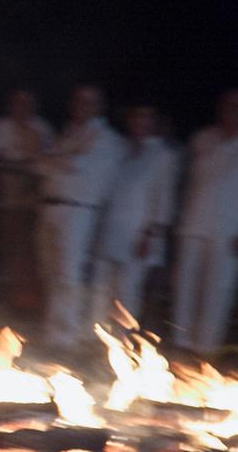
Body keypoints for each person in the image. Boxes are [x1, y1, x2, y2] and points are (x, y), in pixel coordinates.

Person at [171, 89, 238, 355]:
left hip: (230, 232)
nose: (235, 111)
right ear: (221, 108)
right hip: (194, 223)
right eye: (231, 105)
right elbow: (185, 182)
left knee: (218, 293)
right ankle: (181, 346)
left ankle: (204, 350)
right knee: (185, 288)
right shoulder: (202, 139)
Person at [34, 84, 124, 349]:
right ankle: (53, 333)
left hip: (78, 209)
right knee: (51, 273)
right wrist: (61, 158)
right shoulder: (69, 133)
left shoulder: (106, 137)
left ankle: (66, 338)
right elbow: (40, 165)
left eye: (89, 101)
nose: (82, 106)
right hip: (51, 206)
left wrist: (57, 159)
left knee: (68, 275)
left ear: (99, 106)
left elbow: (77, 166)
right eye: (79, 100)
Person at [88, 104, 178, 324]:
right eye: (137, 117)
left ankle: (123, 342)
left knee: (128, 291)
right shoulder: (120, 149)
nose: (141, 122)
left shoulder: (162, 154)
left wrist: (150, 235)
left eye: (146, 118)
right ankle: (94, 336)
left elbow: (163, 197)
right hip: (110, 227)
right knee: (100, 288)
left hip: (138, 233)